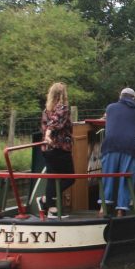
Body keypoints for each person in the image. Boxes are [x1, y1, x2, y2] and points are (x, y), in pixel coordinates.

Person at [99, 87, 135, 217]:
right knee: (125, 178)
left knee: (107, 176)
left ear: (120, 97)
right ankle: (121, 210)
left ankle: (102, 208)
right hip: (129, 146)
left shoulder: (110, 108)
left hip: (110, 144)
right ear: (133, 98)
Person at [39, 82, 74, 217]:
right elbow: (55, 123)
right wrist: (49, 134)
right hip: (59, 148)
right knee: (70, 178)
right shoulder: (63, 108)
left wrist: (47, 135)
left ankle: (49, 206)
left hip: (47, 149)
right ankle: (48, 201)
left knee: (52, 178)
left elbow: (46, 124)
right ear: (63, 94)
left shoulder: (46, 110)